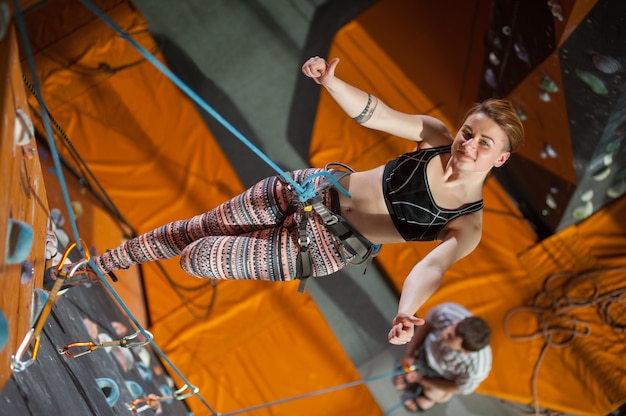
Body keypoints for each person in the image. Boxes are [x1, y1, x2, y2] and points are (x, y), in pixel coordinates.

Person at [49, 56, 524, 345]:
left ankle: (101, 267)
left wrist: (405, 311)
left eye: (485, 144)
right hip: (307, 189)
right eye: (469, 132)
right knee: (194, 227)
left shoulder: (467, 223)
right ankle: (94, 266)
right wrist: (331, 82)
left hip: (321, 247)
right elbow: (377, 114)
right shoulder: (436, 136)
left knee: (199, 257)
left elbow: (430, 269)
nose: (468, 145)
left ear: (500, 159)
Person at [393, 302, 492, 412]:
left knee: (437, 395)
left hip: (440, 376)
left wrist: (421, 379)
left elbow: (458, 387)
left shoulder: (477, 368)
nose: (445, 333)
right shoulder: (447, 312)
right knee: (409, 363)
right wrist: (410, 353)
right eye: (452, 328)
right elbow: (427, 325)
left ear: (465, 351)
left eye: (450, 338)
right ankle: (412, 372)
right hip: (424, 353)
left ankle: (429, 398)